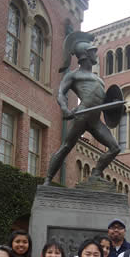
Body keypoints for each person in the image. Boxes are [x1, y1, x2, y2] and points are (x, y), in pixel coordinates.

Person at [44, 32, 120, 185]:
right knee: (66, 147)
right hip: (82, 115)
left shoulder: (99, 80)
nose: (96, 56)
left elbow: (104, 101)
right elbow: (60, 93)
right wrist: (65, 109)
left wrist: (115, 103)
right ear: (85, 55)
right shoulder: (73, 75)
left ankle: (96, 173)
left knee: (114, 147)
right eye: (93, 52)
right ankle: (48, 179)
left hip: (95, 120)